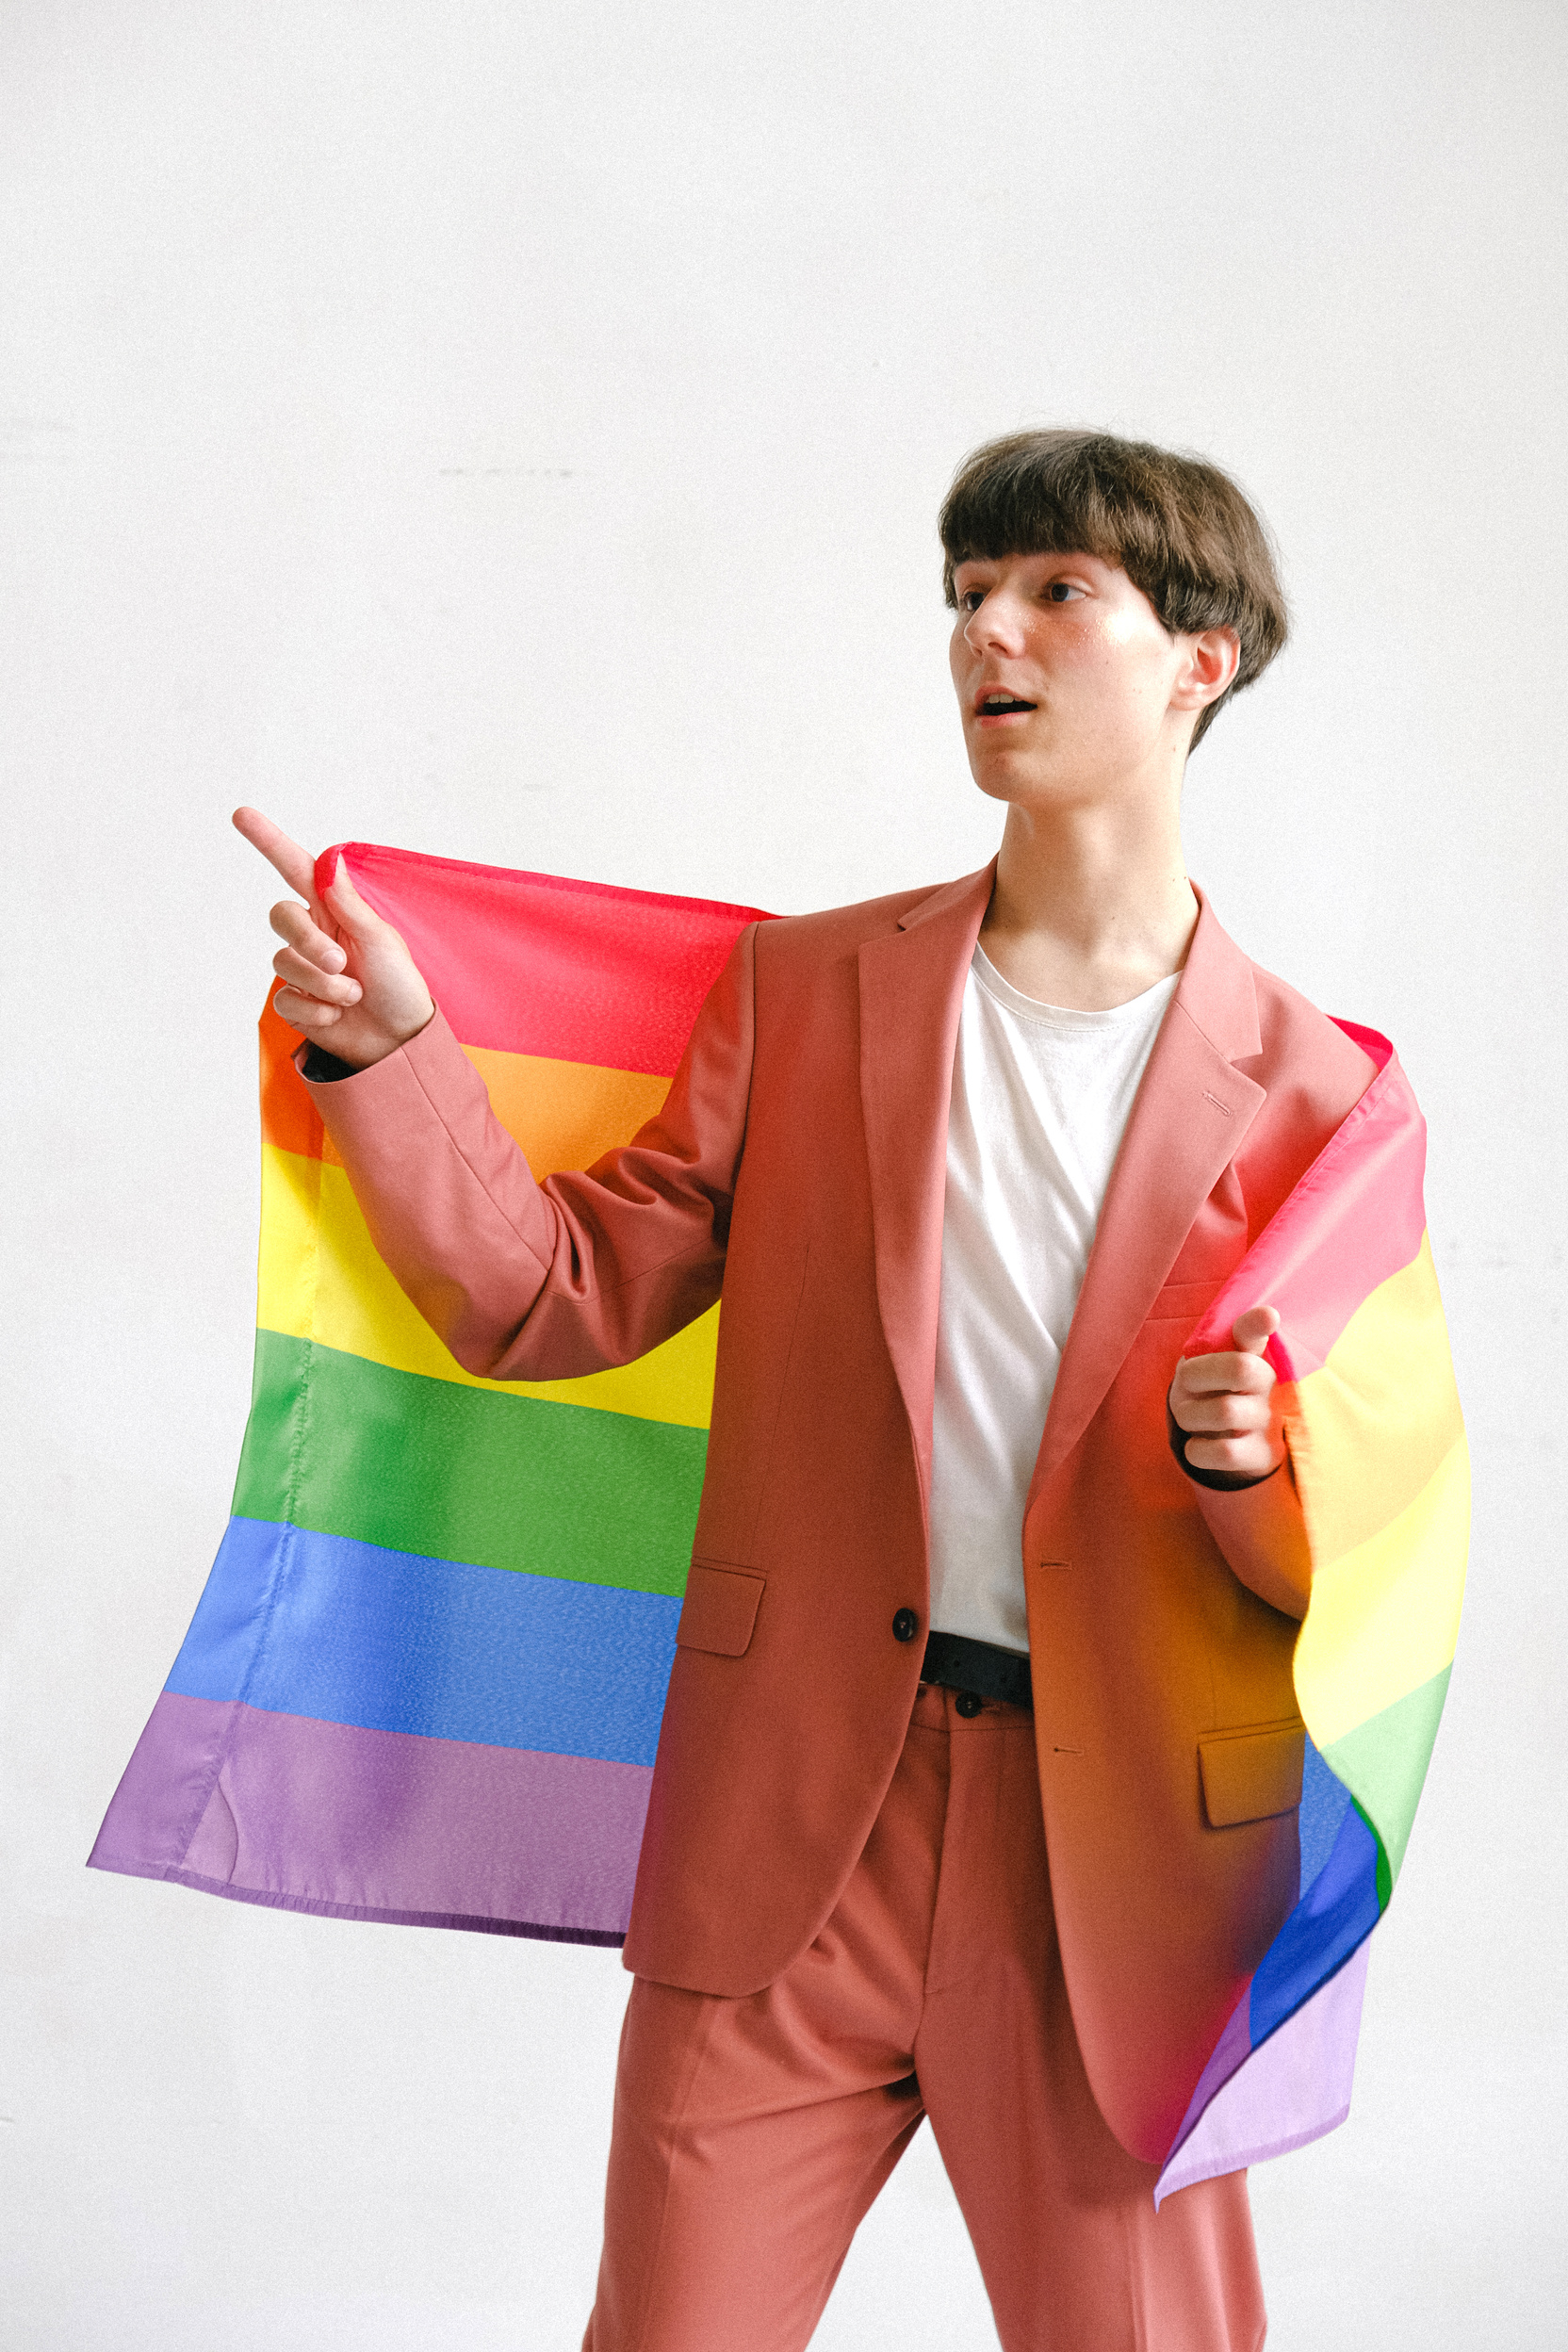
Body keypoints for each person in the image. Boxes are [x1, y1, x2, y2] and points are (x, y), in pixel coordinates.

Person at [236, 428, 1378, 2352]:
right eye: (960, 597)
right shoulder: (805, 991)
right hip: (790, 1839)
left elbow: (1379, 1532)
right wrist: (401, 1057)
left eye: (1049, 591)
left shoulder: (1327, 1102)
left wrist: (1270, 1470)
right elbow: (550, 1298)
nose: (980, 637)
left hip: (1110, 1882)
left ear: (1206, 655)